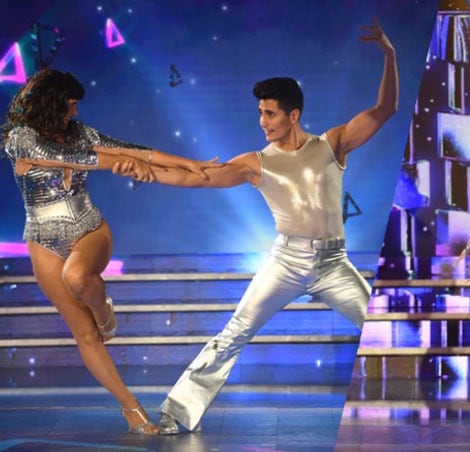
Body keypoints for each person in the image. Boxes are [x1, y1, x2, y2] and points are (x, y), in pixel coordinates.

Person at [106, 17, 398, 434]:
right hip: (287, 260)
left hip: (334, 262)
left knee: (377, 320)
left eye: (270, 113)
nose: (262, 120)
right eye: (260, 112)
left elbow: (385, 109)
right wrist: (146, 170)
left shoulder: (331, 144)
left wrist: (389, 54)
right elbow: (196, 177)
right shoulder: (255, 162)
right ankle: (177, 413)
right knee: (235, 331)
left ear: (293, 114)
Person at [2, 68, 219, 434]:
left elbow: (130, 149)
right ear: (52, 103)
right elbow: (71, 159)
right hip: (42, 237)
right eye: (69, 105)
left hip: (88, 229)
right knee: (84, 335)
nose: (74, 113)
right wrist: (120, 165)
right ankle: (130, 407)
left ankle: (105, 314)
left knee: (77, 276)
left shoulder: (79, 132)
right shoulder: (19, 138)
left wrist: (188, 163)